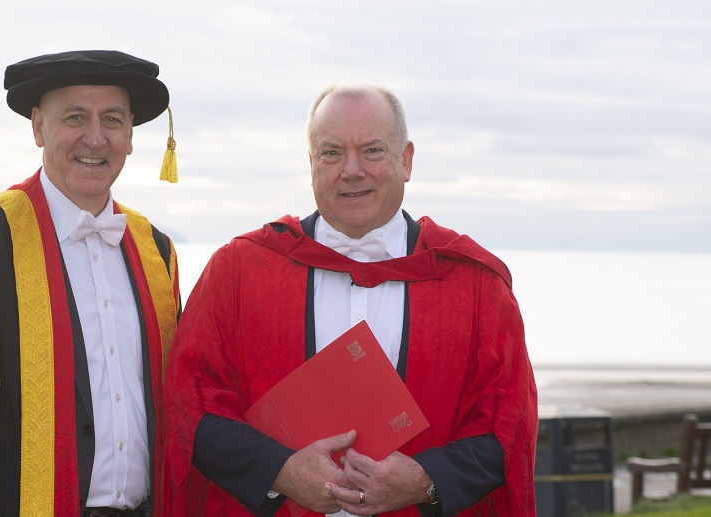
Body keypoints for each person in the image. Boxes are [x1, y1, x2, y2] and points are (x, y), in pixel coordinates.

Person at [162, 84, 537, 517]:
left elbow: (508, 421)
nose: (352, 170)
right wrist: (279, 472)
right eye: (332, 153)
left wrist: (425, 479)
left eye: (372, 151)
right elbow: (191, 400)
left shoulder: (472, 283)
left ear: (406, 160)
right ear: (311, 164)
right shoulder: (238, 272)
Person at [0, 50, 181, 517]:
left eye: (112, 119)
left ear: (130, 135)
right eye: (75, 117)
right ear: (38, 128)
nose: (95, 138)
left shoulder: (156, 253)